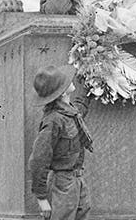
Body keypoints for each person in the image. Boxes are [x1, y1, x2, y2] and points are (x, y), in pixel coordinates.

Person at [27, 64, 94, 220]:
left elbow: (79, 109)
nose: (70, 79)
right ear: (63, 92)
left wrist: (91, 86)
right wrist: (42, 198)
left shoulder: (69, 111)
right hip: (63, 184)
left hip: (77, 180)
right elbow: (38, 160)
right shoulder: (53, 121)